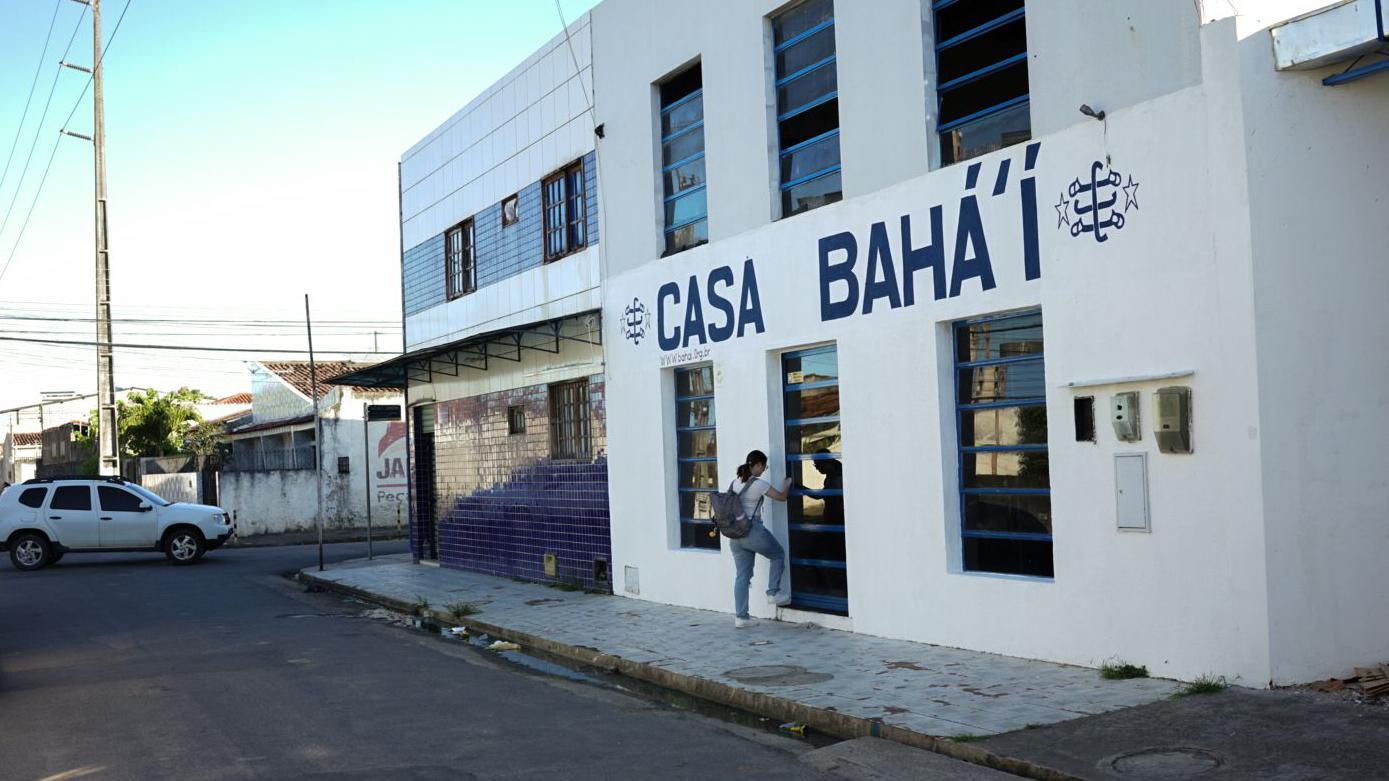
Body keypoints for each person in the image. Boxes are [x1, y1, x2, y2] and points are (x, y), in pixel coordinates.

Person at [729, 449, 792, 628]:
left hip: (735, 535)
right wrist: (786, 483)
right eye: (763, 467)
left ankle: (741, 617)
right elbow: (781, 497)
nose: (763, 470)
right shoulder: (759, 484)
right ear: (757, 465)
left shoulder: (734, 483)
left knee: (742, 576)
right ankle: (773, 592)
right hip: (752, 531)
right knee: (778, 554)